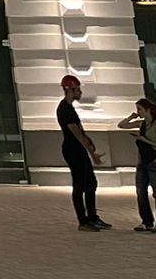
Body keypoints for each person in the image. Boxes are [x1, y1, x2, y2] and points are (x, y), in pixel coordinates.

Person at [58, 74, 110, 231]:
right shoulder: (64, 109)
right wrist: (92, 153)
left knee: (91, 183)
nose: (80, 92)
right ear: (70, 90)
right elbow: (77, 134)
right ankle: (83, 221)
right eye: (78, 89)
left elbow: (81, 132)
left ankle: (92, 217)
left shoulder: (70, 107)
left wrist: (90, 145)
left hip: (78, 149)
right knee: (79, 185)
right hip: (73, 150)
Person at [119, 97, 156, 232]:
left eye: (140, 109)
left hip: (155, 163)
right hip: (142, 162)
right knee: (141, 192)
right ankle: (146, 221)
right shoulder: (141, 124)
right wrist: (131, 116)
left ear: (148, 110)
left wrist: (144, 140)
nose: (138, 112)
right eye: (137, 109)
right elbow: (121, 125)